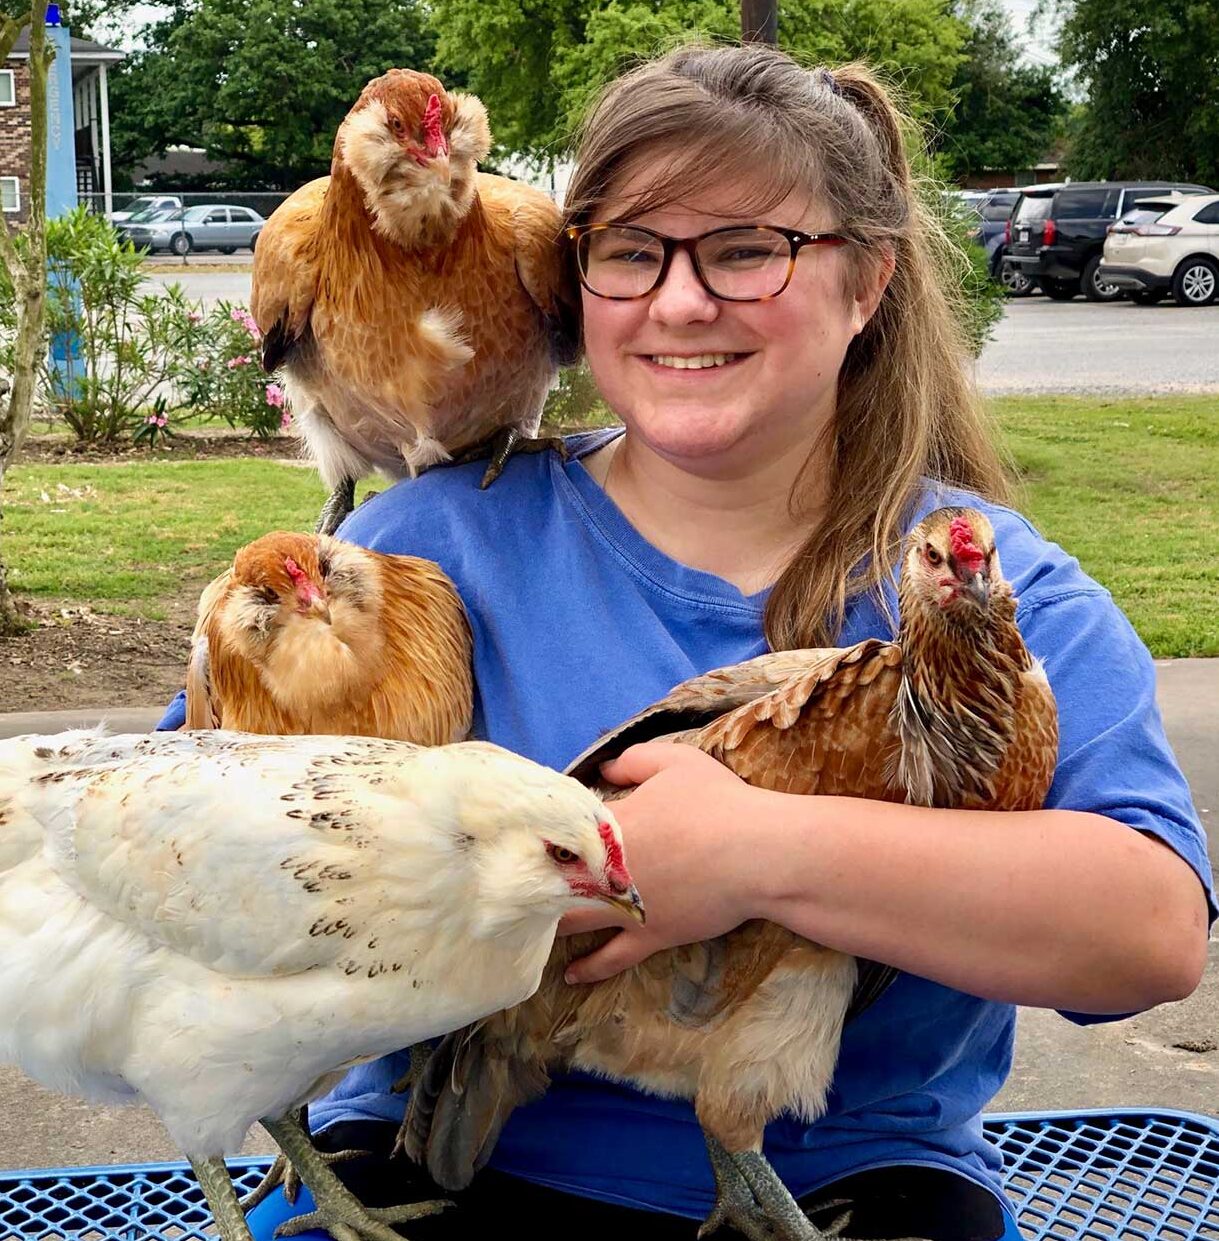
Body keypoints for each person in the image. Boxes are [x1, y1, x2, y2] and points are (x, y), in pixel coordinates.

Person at [160, 42, 1214, 1241]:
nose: (677, 302)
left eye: (746, 250)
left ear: (865, 284)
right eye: (629, 253)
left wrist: (758, 851)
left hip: (838, 1172)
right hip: (429, 1148)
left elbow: (1148, 931)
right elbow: (181, 848)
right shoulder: (414, 552)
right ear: (575, 282)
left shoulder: (976, 582)